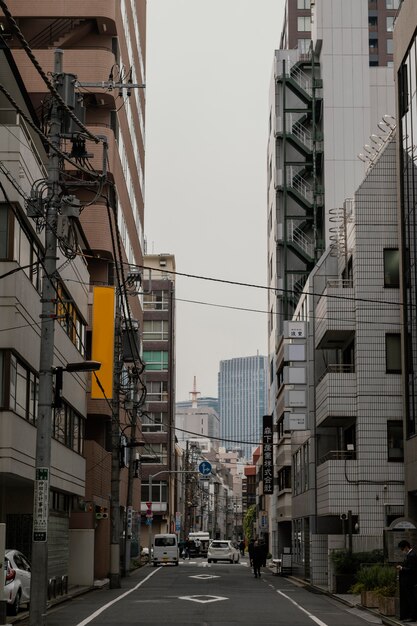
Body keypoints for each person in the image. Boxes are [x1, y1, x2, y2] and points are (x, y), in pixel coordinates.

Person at [396, 539, 417, 622]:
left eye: (402, 549)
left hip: (410, 582)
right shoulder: (410, 554)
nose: (402, 551)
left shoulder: (412, 555)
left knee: (411, 599)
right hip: (408, 581)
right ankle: (412, 616)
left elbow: (412, 569)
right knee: (411, 599)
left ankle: (413, 617)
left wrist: (401, 568)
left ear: (406, 547)